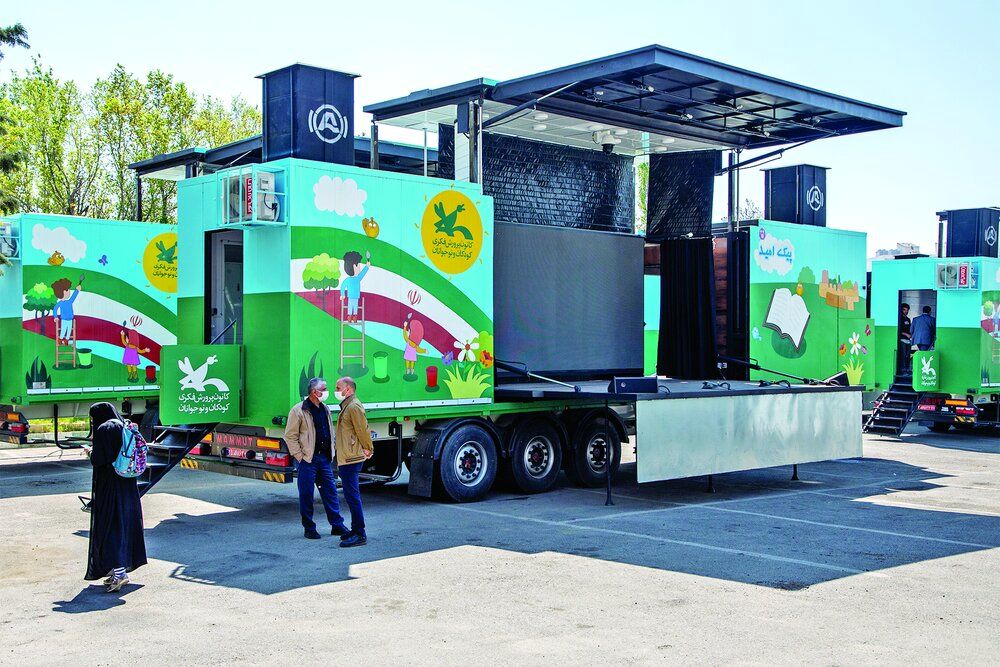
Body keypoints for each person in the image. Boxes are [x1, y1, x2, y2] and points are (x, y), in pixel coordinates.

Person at [82, 402, 147, 592]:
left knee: (109, 526)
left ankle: (119, 573)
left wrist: (89, 452)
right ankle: (117, 569)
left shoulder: (104, 429)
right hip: (127, 484)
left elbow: (100, 459)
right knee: (124, 524)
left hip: (109, 487)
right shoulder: (122, 425)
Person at [284, 378, 351, 540]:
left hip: (324, 458)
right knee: (306, 494)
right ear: (315, 392)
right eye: (324, 389)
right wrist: (300, 457)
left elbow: (329, 431)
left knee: (330, 491)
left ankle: (337, 525)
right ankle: (309, 528)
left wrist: (332, 450)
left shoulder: (324, 408)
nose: (327, 392)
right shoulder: (298, 410)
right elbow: (289, 437)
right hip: (308, 460)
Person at [334, 376, 373, 548]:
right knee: (350, 496)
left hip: (352, 458)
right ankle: (355, 529)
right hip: (347, 457)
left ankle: (360, 533)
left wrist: (368, 447)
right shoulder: (348, 405)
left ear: (348, 389)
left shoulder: (354, 406)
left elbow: (363, 430)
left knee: (352, 496)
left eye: (338, 387)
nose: (335, 391)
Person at [340, 251, 370, 324]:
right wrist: (342, 294)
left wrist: (367, 266)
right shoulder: (348, 280)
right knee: (350, 307)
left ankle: (355, 317)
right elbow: (343, 286)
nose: (359, 268)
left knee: (355, 307)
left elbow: (362, 273)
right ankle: (350, 317)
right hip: (351, 297)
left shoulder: (357, 278)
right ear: (353, 266)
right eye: (358, 266)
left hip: (356, 297)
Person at [52, 278, 82, 345]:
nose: (69, 292)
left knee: (68, 331)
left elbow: (73, 296)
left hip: (70, 319)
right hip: (64, 319)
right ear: (63, 292)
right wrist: (55, 317)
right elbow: (55, 309)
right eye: (67, 290)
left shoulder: (69, 301)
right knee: (63, 330)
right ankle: (60, 339)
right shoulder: (60, 303)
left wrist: (77, 290)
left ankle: (66, 340)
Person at [899, 303, 912, 372]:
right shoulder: (899, 318)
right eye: (904, 310)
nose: (906, 311)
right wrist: (906, 334)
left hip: (908, 340)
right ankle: (903, 370)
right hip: (902, 340)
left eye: (907, 310)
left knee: (907, 356)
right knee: (903, 356)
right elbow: (898, 330)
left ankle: (907, 370)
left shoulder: (908, 319)